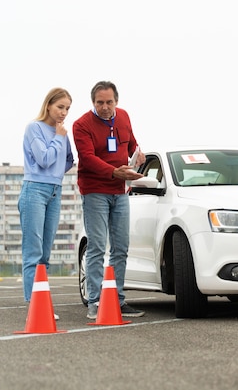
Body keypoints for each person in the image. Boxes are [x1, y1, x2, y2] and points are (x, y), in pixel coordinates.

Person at [72, 81, 146, 320]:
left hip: (120, 191)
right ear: (93, 102)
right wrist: (115, 172)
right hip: (95, 191)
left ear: (117, 101)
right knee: (96, 246)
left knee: (121, 248)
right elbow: (88, 158)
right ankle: (94, 301)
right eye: (99, 103)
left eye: (109, 102)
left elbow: (131, 142)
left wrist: (138, 153)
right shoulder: (81, 125)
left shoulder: (123, 116)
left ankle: (117, 298)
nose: (105, 107)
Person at [19, 88, 74, 320]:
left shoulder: (62, 133)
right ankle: (35, 304)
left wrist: (55, 175)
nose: (63, 113)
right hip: (34, 190)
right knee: (33, 251)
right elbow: (44, 159)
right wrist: (59, 138)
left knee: (45, 254)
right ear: (48, 105)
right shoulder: (35, 128)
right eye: (60, 107)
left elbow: (70, 160)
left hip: (55, 190)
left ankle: (41, 301)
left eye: (67, 109)